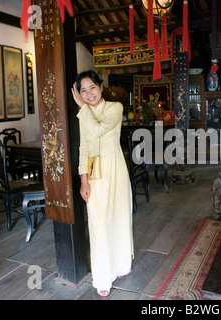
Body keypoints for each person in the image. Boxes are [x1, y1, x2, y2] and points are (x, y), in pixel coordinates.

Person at [72, 70, 133, 298]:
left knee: (118, 217)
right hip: (94, 172)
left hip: (114, 168)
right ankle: (102, 276)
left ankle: (120, 264)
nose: (88, 94)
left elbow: (98, 130)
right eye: (83, 90)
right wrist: (83, 179)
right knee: (97, 222)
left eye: (92, 88)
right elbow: (84, 147)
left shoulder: (115, 108)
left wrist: (82, 108)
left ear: (100, 86)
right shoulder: (84, 114)